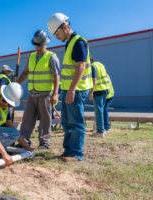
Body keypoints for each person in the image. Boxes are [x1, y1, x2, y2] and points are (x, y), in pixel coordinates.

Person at [47, 13, 93, 162]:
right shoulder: (69, 43)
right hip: (69, 89)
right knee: (66, 122)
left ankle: (76, 154)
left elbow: (81, 67)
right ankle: (68, 151)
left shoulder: (79, 42)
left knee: (76, 122)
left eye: (56, 33)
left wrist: (72, 89)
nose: (56, 37)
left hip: (76, 90)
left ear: (64, 27)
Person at [17, 30, 60, 150]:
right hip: (32, 93)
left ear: (46, 44)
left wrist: (55, 94)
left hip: (46, 94)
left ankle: (44, 143)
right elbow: (25, 72)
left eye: (40, 45)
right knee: (27, 118)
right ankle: (23, 142)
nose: (37, 47)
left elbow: (56, 76)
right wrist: (16, 84)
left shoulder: (51, 57)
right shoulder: (31, 56)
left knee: (45, 119)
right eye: (36, 45)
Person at [88, 55, 110, 137]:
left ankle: (100, 131)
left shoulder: (92, 66)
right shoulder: (100, 64)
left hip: (98, 91)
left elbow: (94, 79)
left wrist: (91, 92)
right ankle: (103, 129)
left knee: (98, 112)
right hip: (105, 90)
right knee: (102, 110)